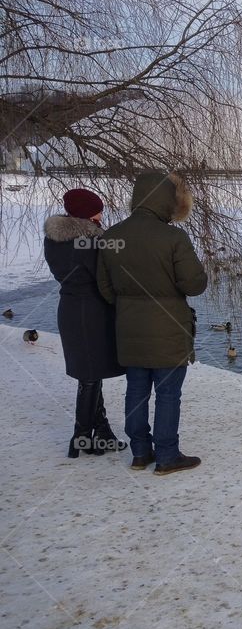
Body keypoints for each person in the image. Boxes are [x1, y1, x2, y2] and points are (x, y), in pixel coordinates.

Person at [97, 172, 208, 475]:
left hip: (129, 331)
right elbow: (194, 284)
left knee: (136, 392)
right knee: (168, 394)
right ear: (166, 200)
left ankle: (140, 453)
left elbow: (105, 289)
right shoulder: (173, 237)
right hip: (168, 330)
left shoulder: (111, 237)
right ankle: (168, 456)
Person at [43, 189, 127, 458]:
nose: (101, 215)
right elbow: (105, 277)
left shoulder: (55, 239)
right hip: (91, 312)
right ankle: (80, 437)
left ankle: (102, 433)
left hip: (69, 309)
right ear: (84, 214)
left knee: (90, 372)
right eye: (97, 210)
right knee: (90, 377)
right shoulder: (89, 241)